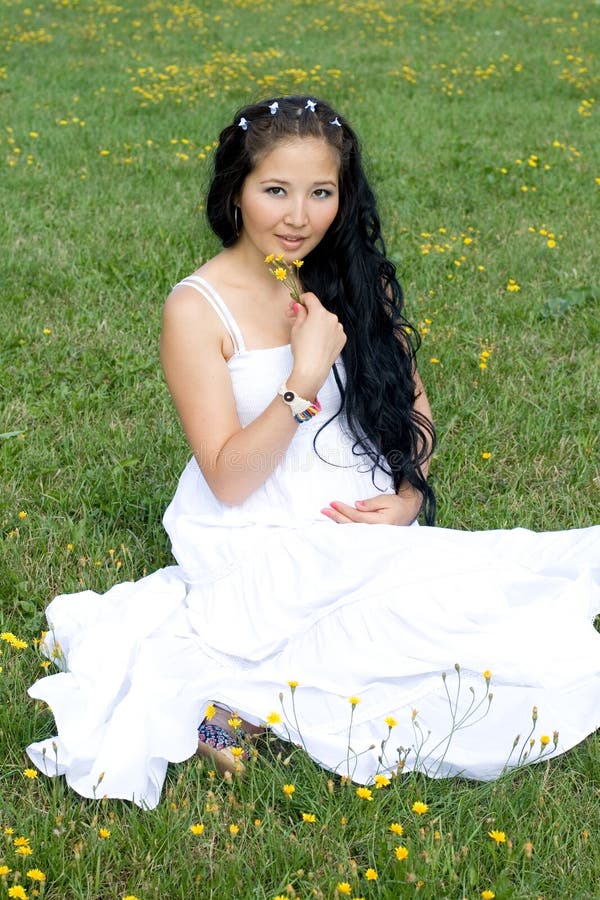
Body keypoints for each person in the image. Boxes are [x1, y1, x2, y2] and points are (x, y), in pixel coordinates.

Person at [27, 96, 599, 809]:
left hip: (354, 518)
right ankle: (211, 706)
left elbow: (410, 404)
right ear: (234, 191)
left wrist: (411, 496)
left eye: (321, 192)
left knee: (505, 645)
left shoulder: (340, 277)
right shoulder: (197, 308)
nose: (299, 216)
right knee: (330, 659)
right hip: (253, 529)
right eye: (276, 190)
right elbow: (230, 479)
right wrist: (302, 379)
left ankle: (232, 698)